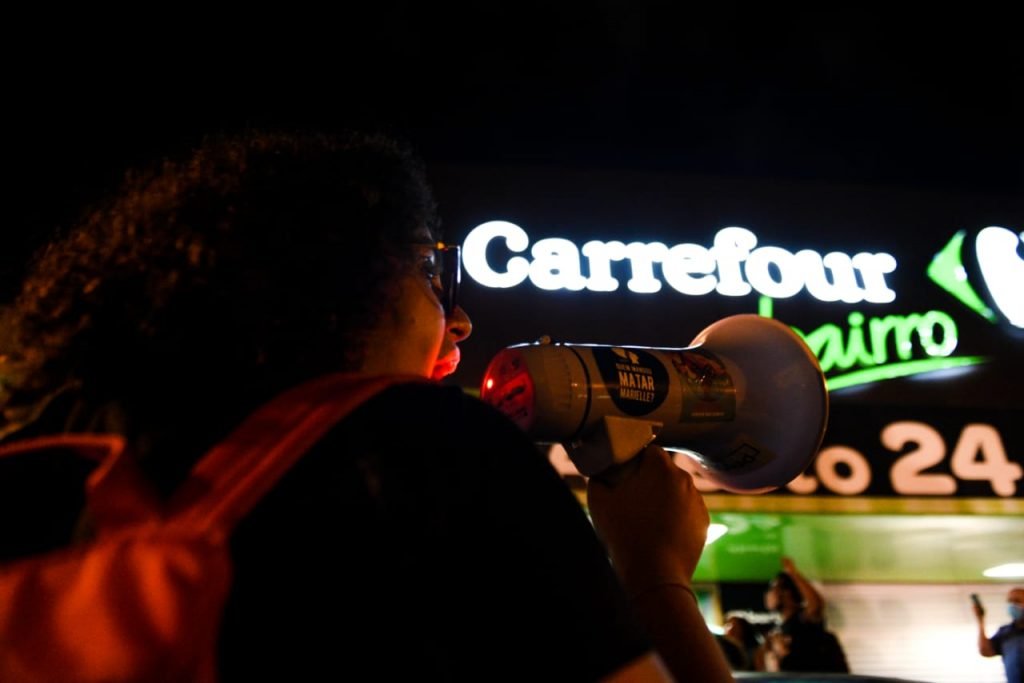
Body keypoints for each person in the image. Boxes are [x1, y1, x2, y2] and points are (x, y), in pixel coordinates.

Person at [0, 129, 732, 681]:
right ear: (340, 283)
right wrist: (652, 566)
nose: (462, 321)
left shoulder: (83, 463)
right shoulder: (420, 446)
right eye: (429, 270)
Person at [761, 556, 850, 673]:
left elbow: (816, 604)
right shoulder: (779, 630)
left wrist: (793, 573)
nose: (768, 594)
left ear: (786, 593)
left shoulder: (803, 620)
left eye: (773, 588)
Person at [974, 587, 1024, 683]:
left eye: (1017, 601)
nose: (1012, 605)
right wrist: (980, 620)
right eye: (1010, 601)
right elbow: (986, 652)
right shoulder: (1005, 632)